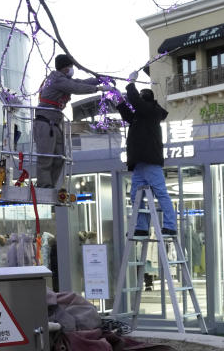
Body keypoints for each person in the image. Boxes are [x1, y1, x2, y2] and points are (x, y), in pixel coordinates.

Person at [116, 70, 177, 238]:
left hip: (148, 161)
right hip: (141, 162)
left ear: (146, 101)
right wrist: (119, 100)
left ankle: (170, 225)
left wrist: (130, 83)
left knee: (159, 193)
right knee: (136, 195)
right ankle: (142, 227)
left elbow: (136, 103)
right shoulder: (143, 115)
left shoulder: (151, 111)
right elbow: (129, 114)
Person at [34, 54, 101, 188]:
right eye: (71, 66)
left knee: (59, 158)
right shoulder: (57, 79)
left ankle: (50, 185)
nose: (72, 69)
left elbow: (79, 83)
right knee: (46, 158)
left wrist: (98, 80)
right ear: (65, 68)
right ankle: (44, 186)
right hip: (45, 123)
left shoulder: (64, 79)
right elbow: (76, 88)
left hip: (54, 123)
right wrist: (98, 89)